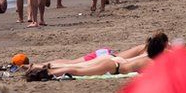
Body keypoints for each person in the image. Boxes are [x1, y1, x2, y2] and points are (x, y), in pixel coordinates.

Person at [39, 32, 168, 78]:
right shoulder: (152, 61)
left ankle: (43, 67)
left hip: (112, 60)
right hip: (113, 65)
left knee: (77, 65)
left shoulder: (146, 54)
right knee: (77, 70)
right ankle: (47, 73)